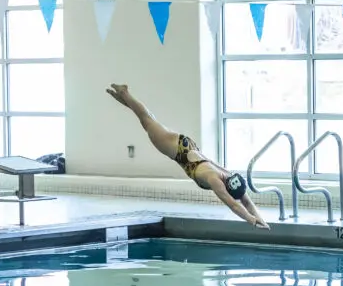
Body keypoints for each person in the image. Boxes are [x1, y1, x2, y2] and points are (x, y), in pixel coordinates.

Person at [106, 84, 269, 228]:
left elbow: (246, 201)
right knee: (147, 121)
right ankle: (125, 93)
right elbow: (233, 205)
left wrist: (261, 219)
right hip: (177, 150)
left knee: (148, 120)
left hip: (187, 145)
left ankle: (122, 97)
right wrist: (251, 220)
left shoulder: (229, 175)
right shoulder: (215, 180)